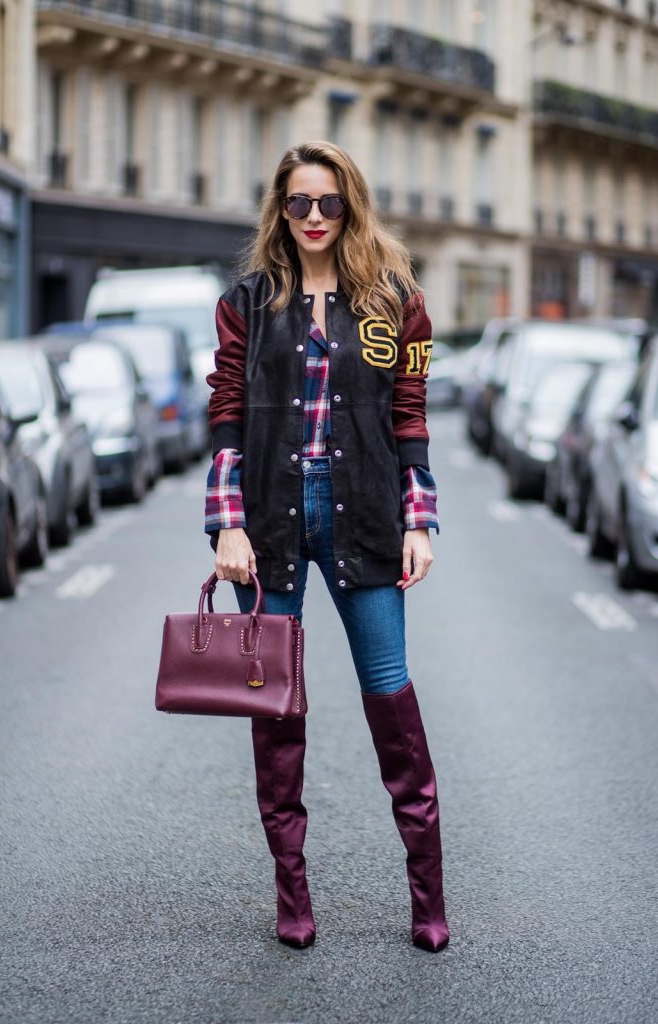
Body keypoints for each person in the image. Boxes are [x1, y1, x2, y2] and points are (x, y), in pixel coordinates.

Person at [204, 141, 449, 953]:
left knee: (390, 699)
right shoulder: (247, 301)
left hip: (367, 517)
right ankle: (292, 896)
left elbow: (409, 413)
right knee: (277, 712)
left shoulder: (396, 302)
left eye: (328, 203)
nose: (312, 217)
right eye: (298, 203)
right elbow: (227, 414)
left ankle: (426, 900)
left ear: (352, 207)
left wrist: (419, 519)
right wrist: (226, 521)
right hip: (268, 522)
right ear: (279, 209)